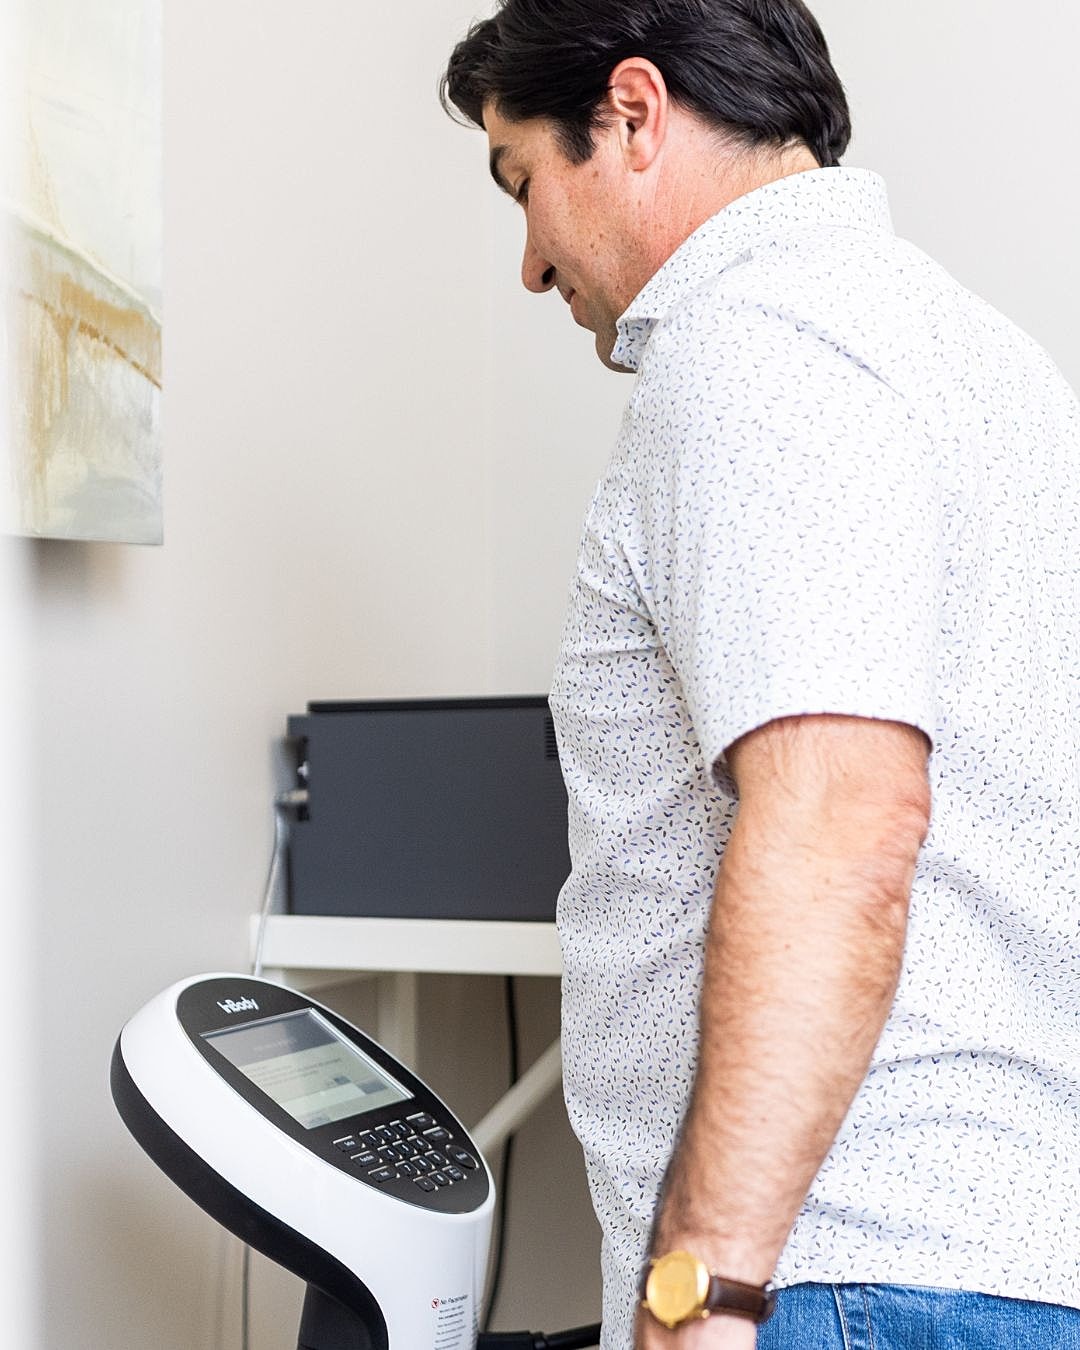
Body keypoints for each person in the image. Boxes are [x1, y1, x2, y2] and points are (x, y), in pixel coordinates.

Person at [441, 3, 1080, 1347]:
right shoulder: (978, 354)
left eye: (525, 184)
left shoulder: (757, 348)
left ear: (631, 112)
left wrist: (702, 1286)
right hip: (981, 1259)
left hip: (833, 1274)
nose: (530, 261)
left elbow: (841, 816)